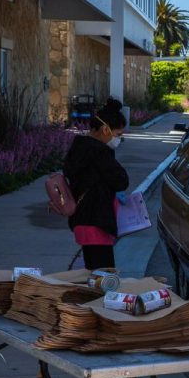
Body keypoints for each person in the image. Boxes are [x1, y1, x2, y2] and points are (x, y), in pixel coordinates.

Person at [63, 98, 129, 270]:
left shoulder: (79, 148)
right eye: (118, 134)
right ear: (105, 129)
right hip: (97, 221)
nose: (118, 139)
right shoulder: (99, 153)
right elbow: (121, 180)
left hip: (82, 220)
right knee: (105, 276)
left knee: (92, 271)